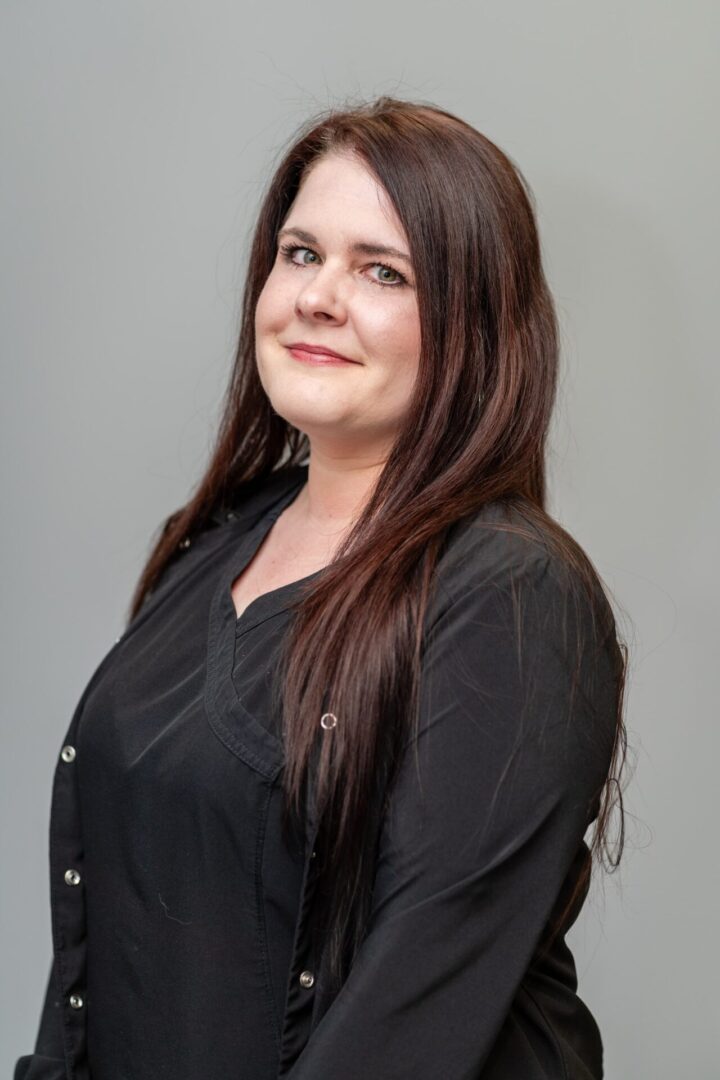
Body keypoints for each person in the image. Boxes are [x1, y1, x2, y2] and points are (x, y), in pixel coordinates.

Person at [15, 95, 629, 1079]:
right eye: (301, 254)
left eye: (381, 271)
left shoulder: (512, 597)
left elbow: (410, 1019)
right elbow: (106, 939)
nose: (318, 295)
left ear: (472, 324)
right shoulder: (209, 546)